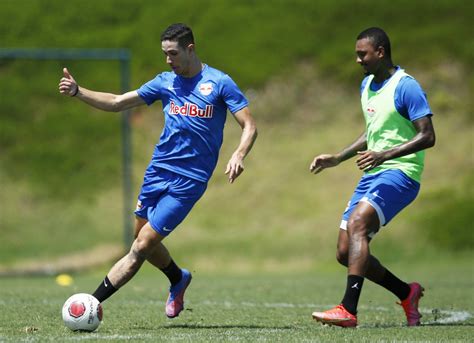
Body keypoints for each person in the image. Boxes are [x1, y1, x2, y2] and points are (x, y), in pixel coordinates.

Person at [58, 23, 257, 318]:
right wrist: (78, 91)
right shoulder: (165, 82)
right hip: (157, 172)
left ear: (190, 49)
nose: (168, 60)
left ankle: (90, 302)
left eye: (173, 54)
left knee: (142, 245)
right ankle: (178, 278)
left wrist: (239, 154)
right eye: (165, 54)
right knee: (142, 240)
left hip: (189, 181)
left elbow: (249, 125)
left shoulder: (219, 83)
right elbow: (117, 102)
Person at [309, 27, 435, 327]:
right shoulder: (366, 84)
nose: (357, 60)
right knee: (344, 252)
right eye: (356, 54)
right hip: (374, 174)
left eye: (362, 54)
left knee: (358, 225)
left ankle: (348, 309)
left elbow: (428, 136)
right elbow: (374, 132)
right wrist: (339, 157)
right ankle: (407, 293)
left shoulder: (407, 86)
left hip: (401, 173)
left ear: (380, 52)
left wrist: (384, 154)